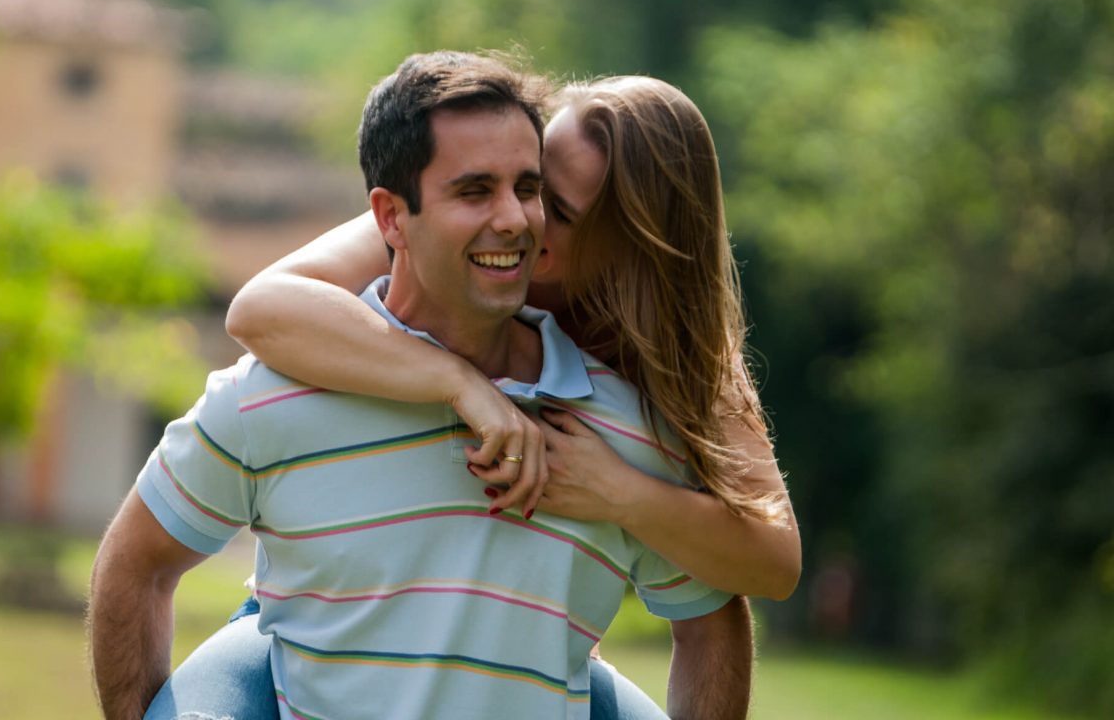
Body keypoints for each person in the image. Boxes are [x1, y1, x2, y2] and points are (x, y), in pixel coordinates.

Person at [89, 51, 742, 720]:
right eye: (474, 190)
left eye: (528, 186)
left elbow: (712, 622)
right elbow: (136, 563)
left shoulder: (618, 430)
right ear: (391, 217)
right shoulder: (273, 393)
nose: (514, 219)